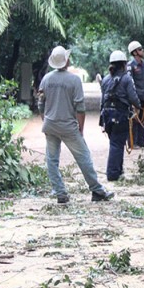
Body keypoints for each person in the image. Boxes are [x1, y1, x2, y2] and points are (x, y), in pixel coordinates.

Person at [37, 46, 114, 204]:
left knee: (52, 160)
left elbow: (40, 104)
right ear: (66, 61)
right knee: (83, 156)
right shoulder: (74, 80)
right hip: (68, 126)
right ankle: (97, 191)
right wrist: (81, 129)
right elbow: (80, 108)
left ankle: (60, 193)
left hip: (50, 125)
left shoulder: (46, 79)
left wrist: (45, 121)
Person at [100, 50, 140, 181]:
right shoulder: (127, 78)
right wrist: (139, 107)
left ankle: (119, 170)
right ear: (123, 64)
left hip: (107, 115)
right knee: (117, 144)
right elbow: (133, 98)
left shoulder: (105, 79)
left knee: (116, 142)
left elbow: (102, 100)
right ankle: (112, 173)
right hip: (120, 115)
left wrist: (102, 121)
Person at [127, 40, 144, 149]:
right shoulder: (130, 66)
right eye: (140, 49)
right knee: (134, 120)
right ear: (134, 52)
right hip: (135, 98)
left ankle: (141, 141)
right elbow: (129, 83)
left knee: (143, 119)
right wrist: (132, 99)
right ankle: (133, 142)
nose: (142, 51)